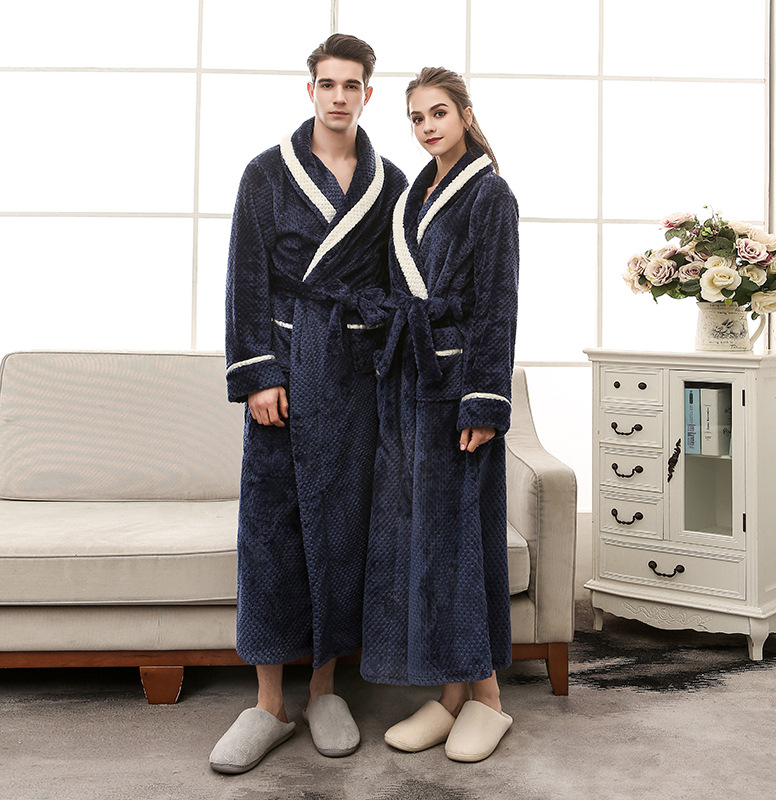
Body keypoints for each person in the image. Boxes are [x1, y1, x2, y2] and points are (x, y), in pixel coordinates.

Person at [210, 34, 407, 773]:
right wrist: (259, 373)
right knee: (271, 533)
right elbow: (245, 278)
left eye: (352, 86)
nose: (338, 97)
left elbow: (396, 279)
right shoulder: (266, 173)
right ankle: (268, 704)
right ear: (311, 90)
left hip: (353, 375)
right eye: (328, 84)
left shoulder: (389, 183)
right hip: (287, 372)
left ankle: (325, 690)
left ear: (367, 94)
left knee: (343, 530)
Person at [360, 67, 519, 763]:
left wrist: (484, 398)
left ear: (465, 115)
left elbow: (498, 302)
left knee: (456, 540)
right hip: (407, 383)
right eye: (416, 117)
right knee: (420, 539)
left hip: (456, 387)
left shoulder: (490, 193)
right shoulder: (411, 196)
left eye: (438, 113)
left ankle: (489, 699)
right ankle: (452, 697)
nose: (427, 126)